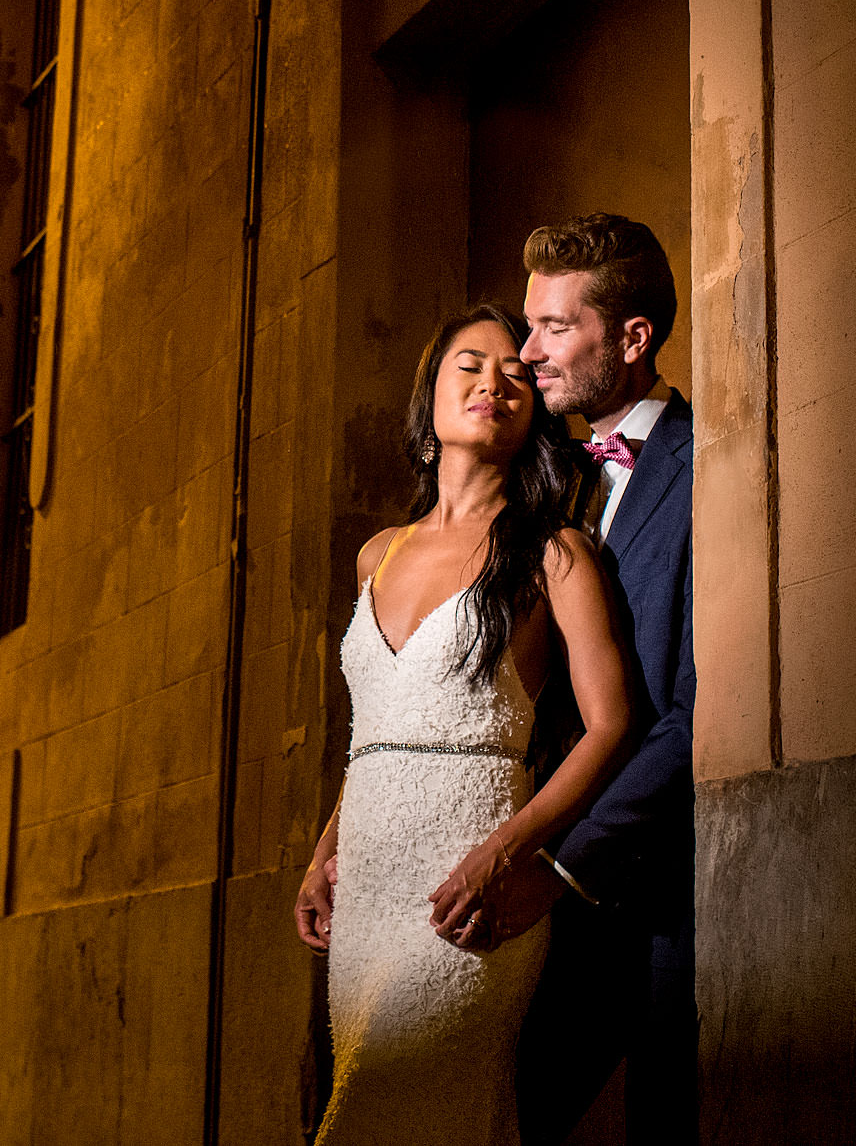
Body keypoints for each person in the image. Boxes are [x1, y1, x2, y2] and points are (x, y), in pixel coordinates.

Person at [295, 303, 634, 1144]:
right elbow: (371, 733)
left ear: (533, 413)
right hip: (366, 890)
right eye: (469, 367)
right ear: (431, 400)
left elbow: (611, 724)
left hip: (469, 887)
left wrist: (508, 849)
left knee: (410, 1106)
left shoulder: (556, 551)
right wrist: (321, 853)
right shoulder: (378, 552)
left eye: (516, 374)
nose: (494, 383)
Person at [509, 215, 696, 1144]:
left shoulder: (706, 466)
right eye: (528, 323)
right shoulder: (557, 484)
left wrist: (562, 865)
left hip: (650, 893)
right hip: (552, 902)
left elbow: (694, 711)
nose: (527, 349)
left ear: (632, 337)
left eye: (553, 327)